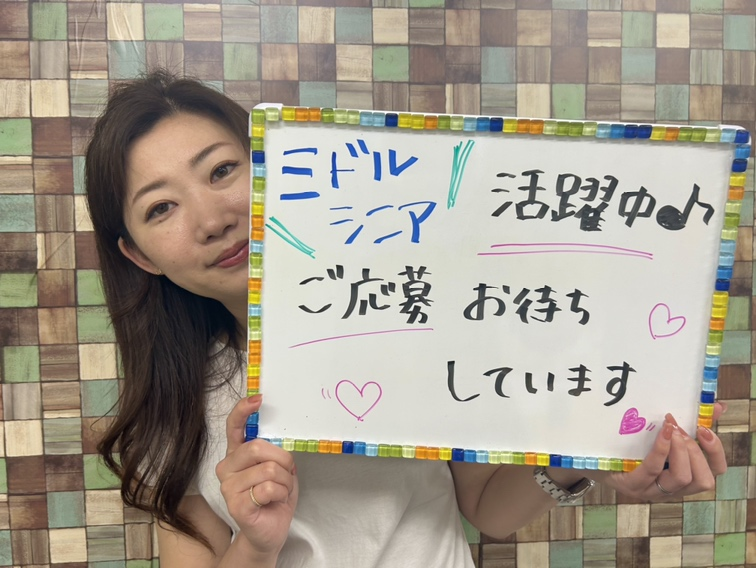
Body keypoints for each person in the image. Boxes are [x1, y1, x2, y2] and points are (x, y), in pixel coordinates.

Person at [85, 70, 728, 568]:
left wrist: (594, 453)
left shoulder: (418, 312)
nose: (211, 219)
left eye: (223, 170)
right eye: (161, 208)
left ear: (274, 160)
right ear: (139, 255)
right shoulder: (171, 407)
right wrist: (256, 545)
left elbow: (489, 509)